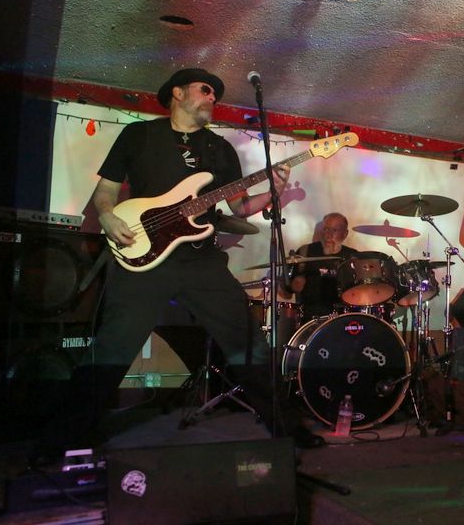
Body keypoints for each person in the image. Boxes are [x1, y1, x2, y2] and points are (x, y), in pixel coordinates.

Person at [39, 68, 324, 460]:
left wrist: (273, 191)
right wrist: (106, 215)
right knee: (111, 349)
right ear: (177, 93)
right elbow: (105, 191)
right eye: (205, 90)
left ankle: (286, 425)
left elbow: (240, 207)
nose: (213, 98)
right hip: (144, 259)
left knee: (248, 342)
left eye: (216, 95)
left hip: (201, 261)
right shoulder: (139, 135)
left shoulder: (220, 149)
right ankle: (61, 439)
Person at [290, 212, 358, 322]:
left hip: (344, 319)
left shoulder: (353, 257)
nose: (328, 235)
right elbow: (289, 289)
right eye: (326, 229)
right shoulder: (305, 252)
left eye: (334, 230)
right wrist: (294, 285)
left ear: (345, 234)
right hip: (310, 320)